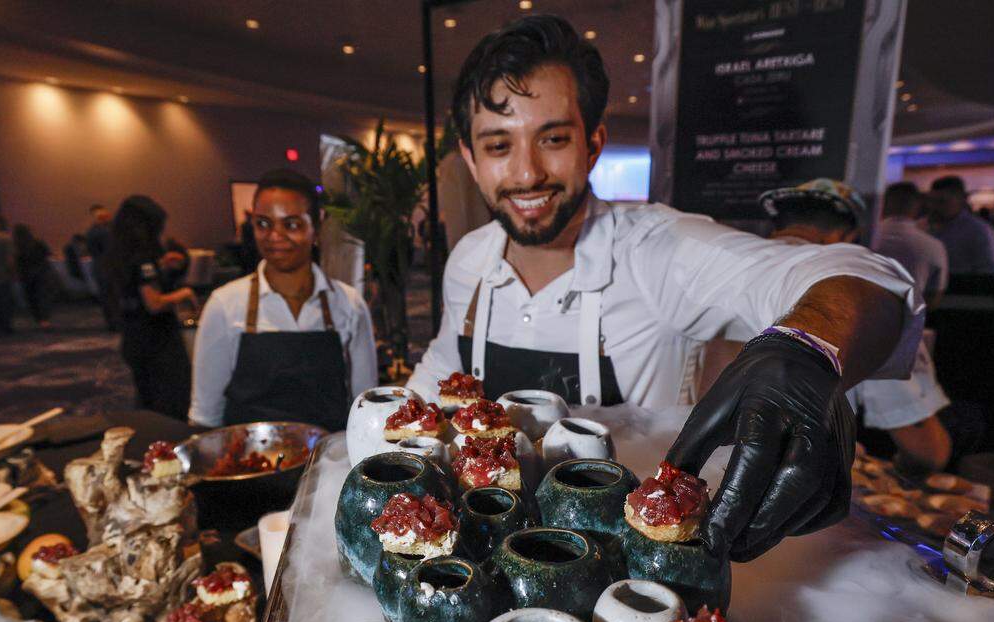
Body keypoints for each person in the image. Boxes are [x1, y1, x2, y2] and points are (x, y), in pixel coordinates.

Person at [407, 16, 924, 561]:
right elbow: (440, 376)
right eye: (497, 145)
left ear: (594, 144)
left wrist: (809, 351)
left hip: (632, 563)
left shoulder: (655, 251)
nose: (527, 172)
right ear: (469, 156)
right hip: (486, 552)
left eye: (553, 138)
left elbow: (857, 275)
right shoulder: (469, 260)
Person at [762, 179, 952, 473]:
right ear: (850, 236)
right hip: (796, 485)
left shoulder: (714, 270)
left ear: (776, 227)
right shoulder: (864, 294)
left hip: (686, 475)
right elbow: (925, 449)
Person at [189, 169, 379, 431]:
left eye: (291, 224)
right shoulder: (225, 305)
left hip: (327, 462)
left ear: (316, 227)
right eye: (263, 224)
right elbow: (205, 414)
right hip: (250, 462)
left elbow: (365, 403)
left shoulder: (349, 304)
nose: (275, 236)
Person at [104, 196, 197, 419]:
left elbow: (133, 287)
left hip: (133, 336)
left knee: (148, 401)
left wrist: (161, 266)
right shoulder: (143, 258)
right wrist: (184, 294)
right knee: (172, 403)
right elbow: (154, 304)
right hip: (157, 341)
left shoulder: (118, 253)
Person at [873, 182, 949, 310]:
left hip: (860, 319)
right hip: (908, 321)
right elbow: (933, 299)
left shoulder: (863, 237)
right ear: (917, 207)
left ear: (883, 204)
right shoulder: (934, 246)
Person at [926, 175, 994, 276]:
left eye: (942, 201)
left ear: (961, 199)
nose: (933, 207)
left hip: (962, 289)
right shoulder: (923, 226)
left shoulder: (979, 230)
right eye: (931, 201)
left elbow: (990, 272)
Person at [12, 224, 57, 328]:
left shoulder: (17, 246)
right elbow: (48, 254)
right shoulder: (37, 243)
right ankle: (45, 319)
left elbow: (17, 262)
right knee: (42, 297)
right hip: (41, 273)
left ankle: (38, 319)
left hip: (26, 275)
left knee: (31, 298)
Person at [86, 203, 121, 329]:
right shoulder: (100, 232)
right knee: (110, 296)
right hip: (106, 267)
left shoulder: (94, 231)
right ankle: (115, 322)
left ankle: (114, 322)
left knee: (111, 296)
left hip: (105, 267)